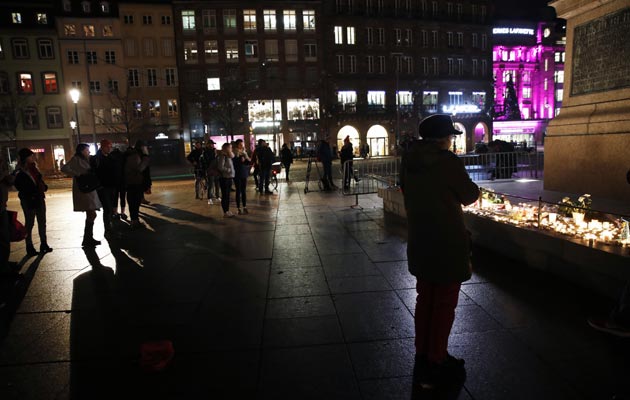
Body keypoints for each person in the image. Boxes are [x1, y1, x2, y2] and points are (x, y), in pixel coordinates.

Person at [399, 114, 479, 389]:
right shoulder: (448, 162)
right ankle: (437, 358)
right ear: (444, 138)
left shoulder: (408, 161)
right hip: (447, 240)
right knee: (445, 302)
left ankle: (423, 352)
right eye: (450, 137)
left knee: (425, 299)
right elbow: (469, 195)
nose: (452, 141)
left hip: (420, 238)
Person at [61, 144, 103, 247]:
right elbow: (65, 168)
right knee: (91, 213)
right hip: (84, 188)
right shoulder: (76, 159)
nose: (88, 152)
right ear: (82, 151)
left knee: (91, 213)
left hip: (89, 187)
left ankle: (88, 238)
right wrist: (77, 174)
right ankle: (87, 238)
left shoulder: (86, 159)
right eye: (87, 150)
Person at [13, 148, 52, 256]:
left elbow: (39, 181)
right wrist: (33, 190)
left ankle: (44, 244)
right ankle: (29, 246)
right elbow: (19, 186)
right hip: (28, 200)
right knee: (30, 223)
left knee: (42, 221)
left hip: (39, 198)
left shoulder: (34, 168)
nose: (33, 158)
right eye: (30, 156)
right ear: (25, 158)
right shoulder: (19, 171)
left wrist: (43, 186)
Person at [92, 140, 120, 236]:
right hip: (104, 187)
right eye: (108, 146)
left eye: (110, 146)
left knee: (111, 208)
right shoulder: (97, 159)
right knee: (107, 209)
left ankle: (110, 228)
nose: (109, 148)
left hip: (111, 185)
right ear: (102, 147)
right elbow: (95, 173)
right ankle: (108, 230)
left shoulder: (110, 157)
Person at [123, 140, 150, 229]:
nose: (146, 148)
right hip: (134, 182)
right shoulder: (135, 155)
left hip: (133, 182)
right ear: (141, 147)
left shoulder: (134, 154)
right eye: (144, 147)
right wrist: (146, 158)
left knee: (134, 202)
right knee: (134, 202)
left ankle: (135, 220)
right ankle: (134, 221)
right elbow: (139, 169)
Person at [232, 139, 251, 215]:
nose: (241, 145)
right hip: (237, 174)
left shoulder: (244, 153)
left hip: (244, 173)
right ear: (237, 145)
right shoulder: (234, 153)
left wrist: (246, 160)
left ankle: (244, 206)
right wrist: (239, 159)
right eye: (240, 144)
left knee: (243, 191)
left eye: (242, 144)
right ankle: (238, 208)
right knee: (238, 191)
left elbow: (248, 162)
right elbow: (233, 162)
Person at [217, 142, 235, 217]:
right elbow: (220, 167)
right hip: (224, 178)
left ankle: (227, 210)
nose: (231, 149)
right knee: (225, 195)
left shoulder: (229, 156)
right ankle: (225, 212)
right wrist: (228, 170)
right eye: (230, 147)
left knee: (227, 195)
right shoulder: (223, 156)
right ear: (226, 148)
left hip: (229, 177)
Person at [200, 140, 219, 204]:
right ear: (207, 144)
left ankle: (217, 196)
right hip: (209, 169)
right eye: (210, 144)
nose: (212, 145)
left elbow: (217, 159)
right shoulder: (205, 152)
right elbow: (206, 161)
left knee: (217, 184)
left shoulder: (215, 151)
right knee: (210, 185)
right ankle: (209, 198)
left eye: (212, 144)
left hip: (216, 169)